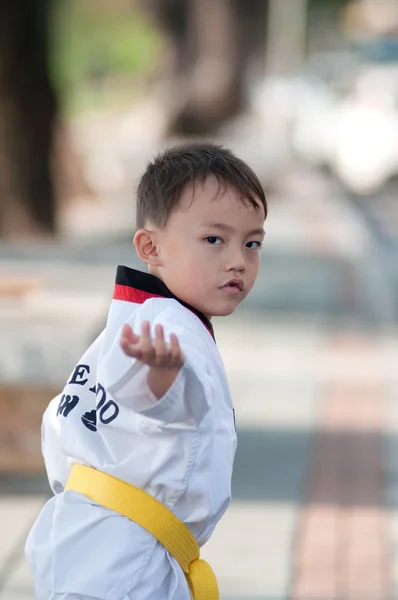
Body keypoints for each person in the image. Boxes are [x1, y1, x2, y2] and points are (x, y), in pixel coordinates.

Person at [25, 142, 268, 600]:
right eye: (214, 239)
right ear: (150, 246)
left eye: (252, 243)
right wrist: (161, 382)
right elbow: (154, 399)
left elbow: (62, 420)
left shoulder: (131, 320)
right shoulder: (163, 331)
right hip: (123, 561)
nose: (238, 259)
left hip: (90, 540)